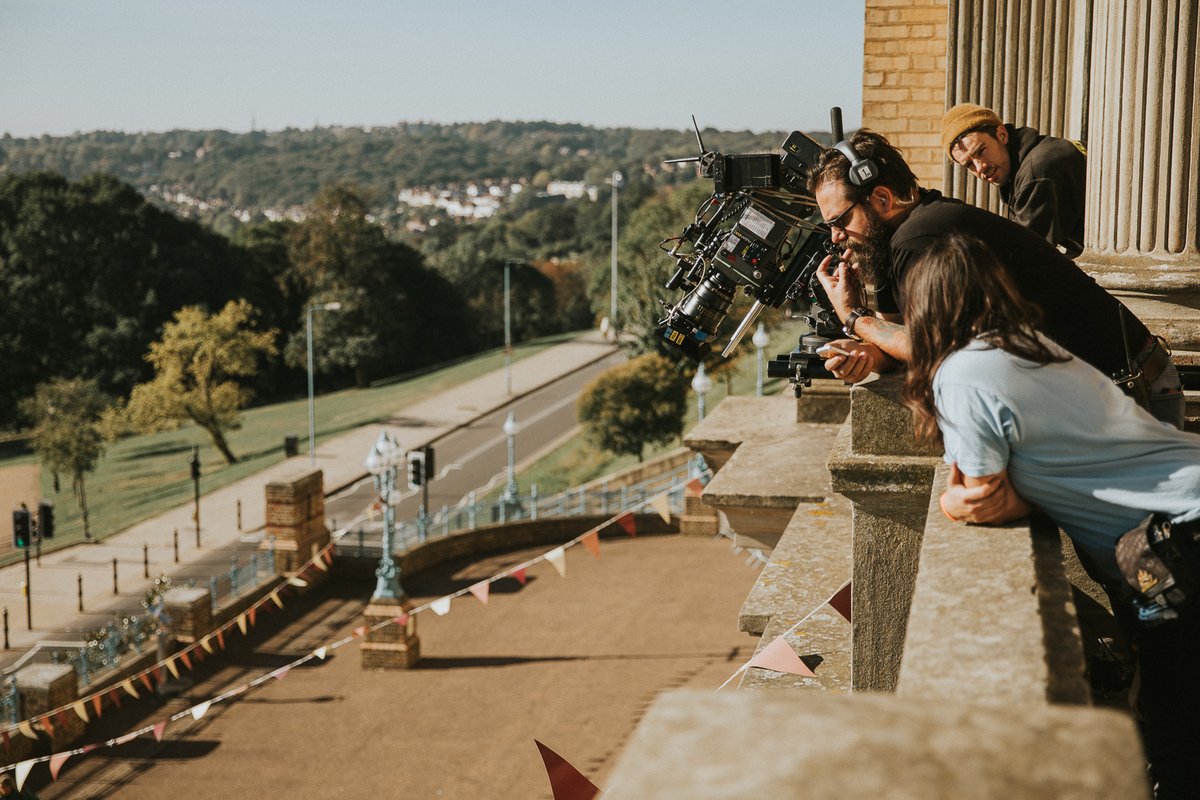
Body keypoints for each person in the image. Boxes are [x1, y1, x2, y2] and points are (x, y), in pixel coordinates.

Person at [901, 231, 1200, 799]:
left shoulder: (963, 376)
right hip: (1184, 507)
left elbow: (980, 497)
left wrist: (947, 500)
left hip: (1178, 541)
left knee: (1177, 737)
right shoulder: (1028, 345)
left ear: (925, 308)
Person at [805, 128, 1184, 429]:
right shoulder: (908, 231)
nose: (837, 237)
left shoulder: (922, 236)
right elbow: (903, 339)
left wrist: (854, 316)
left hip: (1127, 392)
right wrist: (868, 351)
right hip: (1106, 391)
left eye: (840, 222)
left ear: (883, 200)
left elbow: (929, 348)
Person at [941, 103, 1087, 258]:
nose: (980, 167)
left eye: (981, 151)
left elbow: (1025, 257)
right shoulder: (1024, 163)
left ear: (1002, 134)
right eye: (969, 164)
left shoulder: (1037, 173)